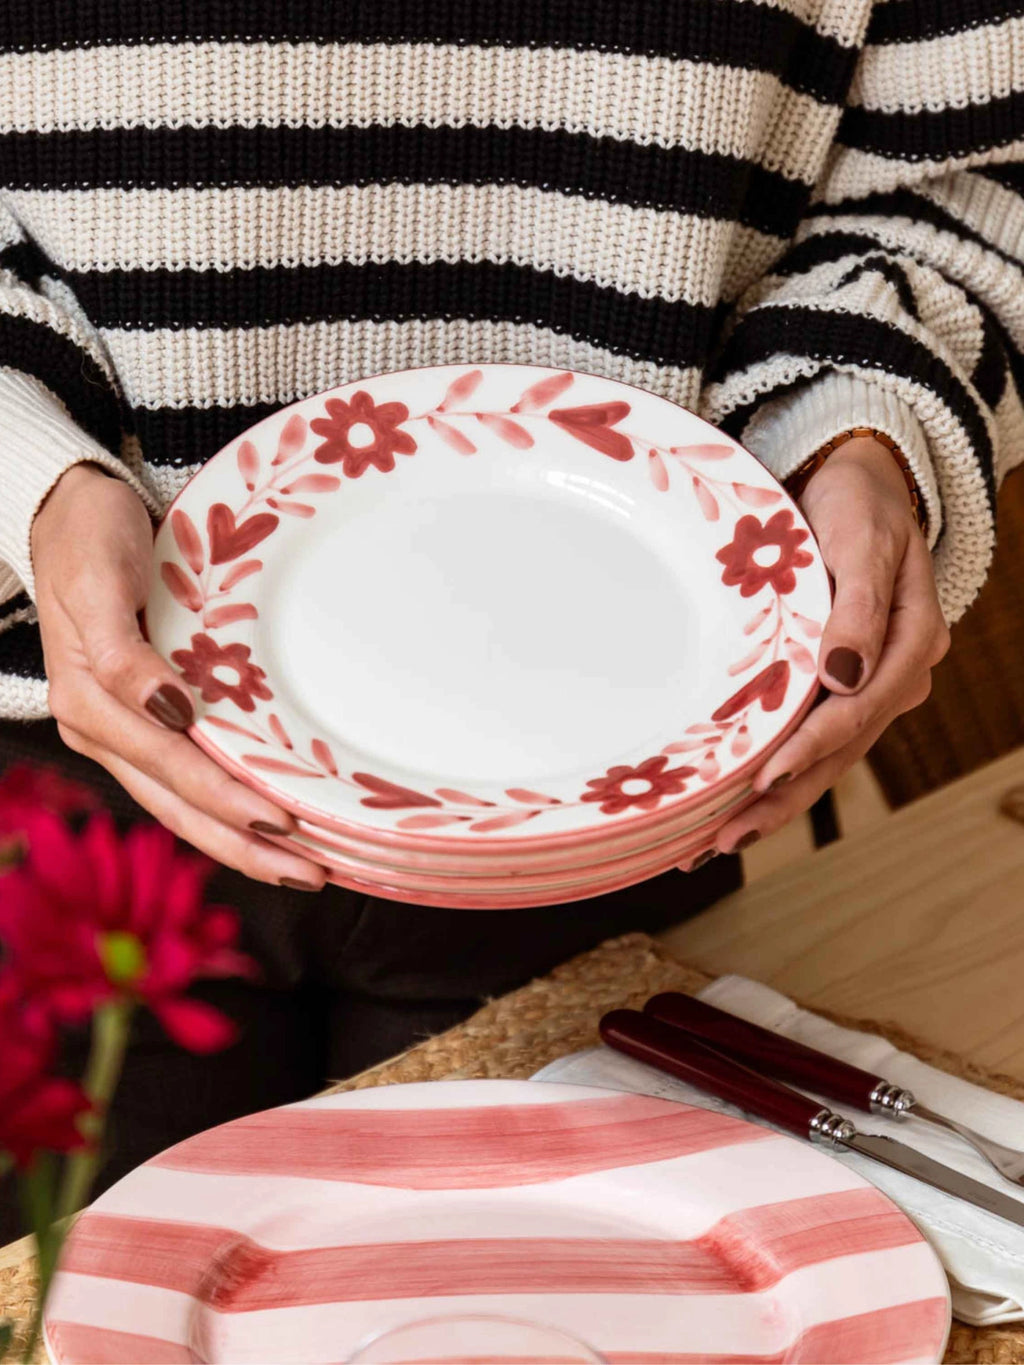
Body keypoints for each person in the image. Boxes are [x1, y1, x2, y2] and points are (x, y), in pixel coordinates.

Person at [0, 3, 1020, 1233]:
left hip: (633, 776)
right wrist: (26, 477)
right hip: (68, 779)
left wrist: (861, 423)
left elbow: (974, 177)